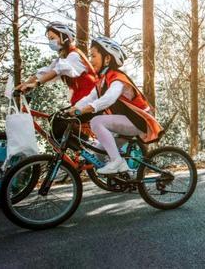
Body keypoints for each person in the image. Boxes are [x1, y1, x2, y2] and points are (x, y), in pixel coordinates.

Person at [69, 36, 162, 174]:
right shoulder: (102, 81)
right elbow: (89, 98)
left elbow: (109, 98)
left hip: (139, 121)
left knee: (96, 121)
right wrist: (74, 108)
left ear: (107, 59)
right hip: (126, 122)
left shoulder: (117, 78)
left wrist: (87, 109)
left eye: (94, 56)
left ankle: (117, 162)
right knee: (99, 152)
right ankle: (128, 175)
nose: (91, 60)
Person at [15, 22, 96, 105]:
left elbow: (57, 70)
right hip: (80, 100)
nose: (50, 41)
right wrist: (25, 84)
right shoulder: (62, 58)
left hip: (91, 100)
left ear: (64, 38)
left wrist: (36, 83)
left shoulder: (74, 55)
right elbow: (47, 71)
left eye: (52, 38)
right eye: (49, 39)